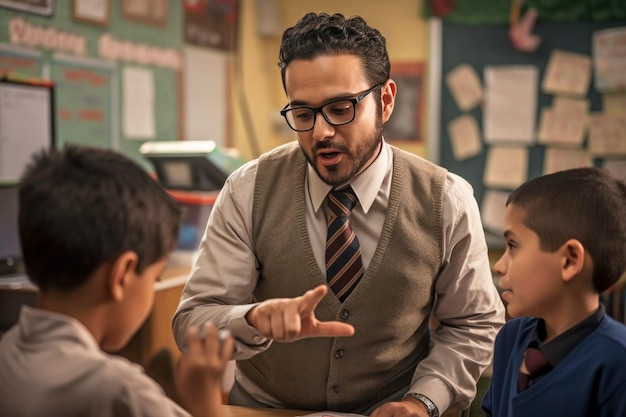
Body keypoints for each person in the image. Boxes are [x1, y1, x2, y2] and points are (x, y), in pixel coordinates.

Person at [173, 12, 505, 417]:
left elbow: (474, 326)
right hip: (267, 409)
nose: (320, 132)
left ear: (385, 101)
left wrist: (422, 401)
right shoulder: (247, 191)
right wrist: (253, 318)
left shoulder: (447, 200)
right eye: (303, 113)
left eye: (340, 108)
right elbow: (192, 320)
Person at [0, 146, 234, 417]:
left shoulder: (6, 352)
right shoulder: (120, 391)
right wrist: (205, 398)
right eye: (154, 277)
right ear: (121, 275)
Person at [482, 167, 626, 417]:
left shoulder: (617, 362)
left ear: (569, 261)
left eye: (513, 246)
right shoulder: (511, 337)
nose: (499, 265)